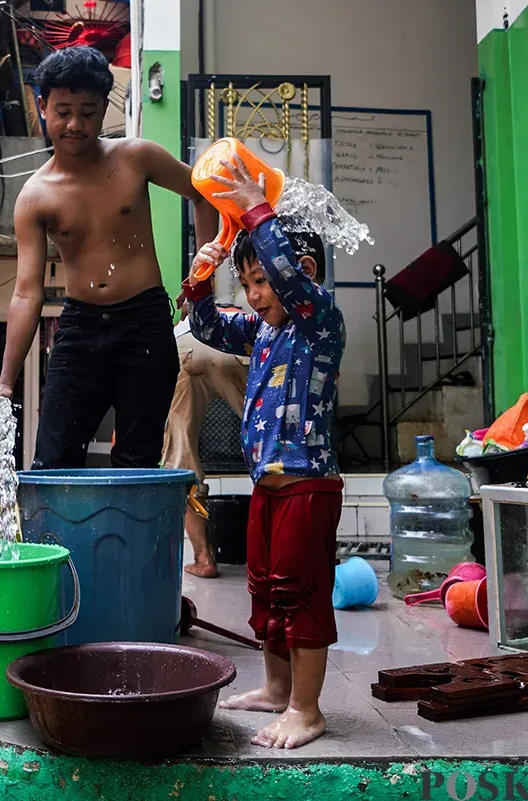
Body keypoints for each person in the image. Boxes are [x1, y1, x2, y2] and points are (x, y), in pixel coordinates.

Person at [0, 46, 219, 468]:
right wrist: (5, 383)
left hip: (145, 325)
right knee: (52, 462)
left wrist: (202, 273)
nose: (75, 124)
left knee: (138, 460)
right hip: (79, 329)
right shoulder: (35, 196)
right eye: (63, 110)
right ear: (43, 107)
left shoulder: (135, 156)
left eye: (88, 112)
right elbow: (26, 293)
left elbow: (201, 192)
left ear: (104, 108)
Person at [180, 155, 345, 750]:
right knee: (268, 592)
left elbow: (292, 283)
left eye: (260, 283)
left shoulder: (318, 319)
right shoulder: (267, 330)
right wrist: (201, 278)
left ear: (299, 272)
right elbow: (206, 326)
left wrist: (255, 207)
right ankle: (278, 689)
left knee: (301, 595)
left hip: (308, 486)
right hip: (267, 488)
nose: (251, 296)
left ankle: (308, 709)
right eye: (245, 284)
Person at [161, 324, 248, 577]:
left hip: (186, 346)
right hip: (236, 345)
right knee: (271, 444)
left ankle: (203, 557)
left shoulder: (192, 298)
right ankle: (279, 556)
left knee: (181, 462)